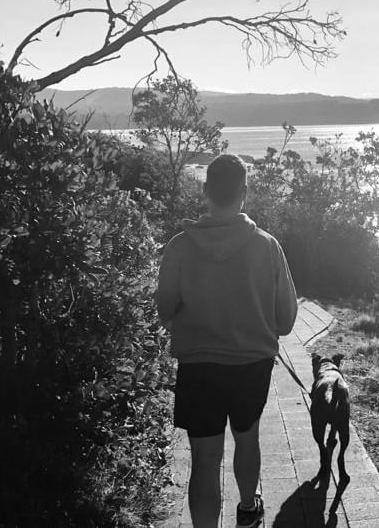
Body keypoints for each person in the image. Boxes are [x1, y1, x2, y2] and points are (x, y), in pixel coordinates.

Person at [156, 154, 298, 528]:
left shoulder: (179, 247)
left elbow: (165, 307)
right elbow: (286, 322)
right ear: (244, 192)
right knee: (246, 438)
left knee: (204, 458)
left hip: (198, 366)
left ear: (205, 191)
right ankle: (249, 510)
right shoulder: (268, 247)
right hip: (252, 365)